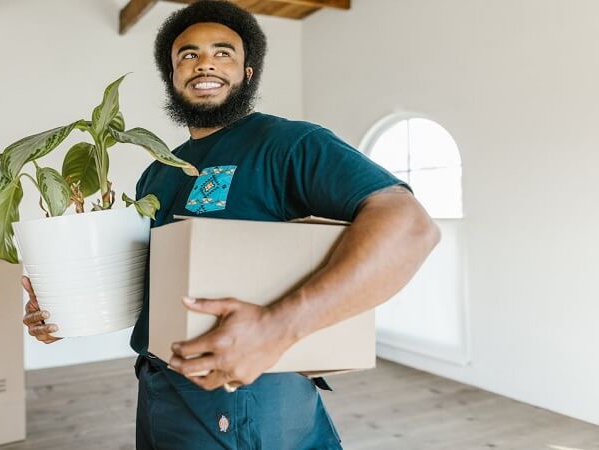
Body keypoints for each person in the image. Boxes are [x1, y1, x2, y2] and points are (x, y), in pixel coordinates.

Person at [22, 1, 440, 448]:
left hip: (245, 389)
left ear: (248, 73)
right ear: (172, 76)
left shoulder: (287, 142)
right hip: (159, 381)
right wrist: (67, 309)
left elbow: (410, 226)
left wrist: (278, 327)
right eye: (188, 54)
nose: (205, 62)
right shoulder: (161, 170)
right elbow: (158, 279)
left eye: (223, 52)